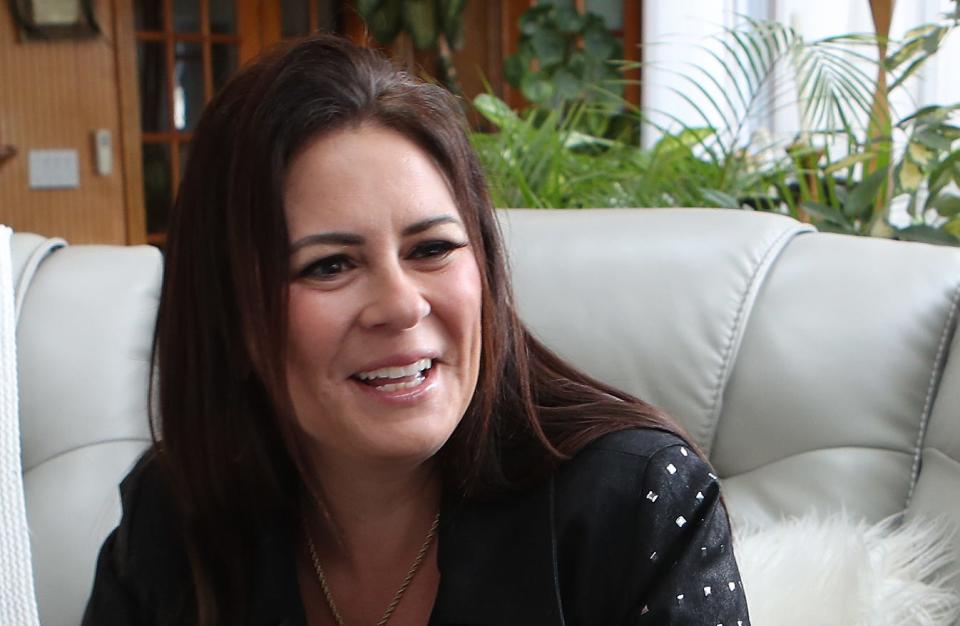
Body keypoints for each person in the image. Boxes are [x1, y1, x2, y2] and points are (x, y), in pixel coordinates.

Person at [82, 34, 751, 626]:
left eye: (431, 249)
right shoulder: (177, 513)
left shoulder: (634, 504)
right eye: (331, 265)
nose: (401, 306)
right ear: (232, 314)